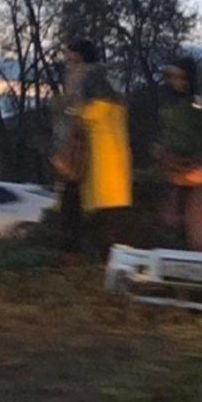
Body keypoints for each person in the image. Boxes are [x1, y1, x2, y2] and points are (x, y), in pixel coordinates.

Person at [51, 39, 132, 262]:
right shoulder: (102, 88)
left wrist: (71, 110)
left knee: (95, 221)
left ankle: (89, 265)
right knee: (87, 217)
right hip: (88, 168)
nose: (70, 68)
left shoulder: (93, 92)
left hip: (91, 166)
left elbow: (79, 120)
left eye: (74, 61)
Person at [154, 57, 202, 251]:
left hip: (196, 172)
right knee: (169, 220)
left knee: (197, 232)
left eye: (179, 77)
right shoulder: (170, 102)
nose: (175, 81)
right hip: (174, 169)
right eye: (172, 77)